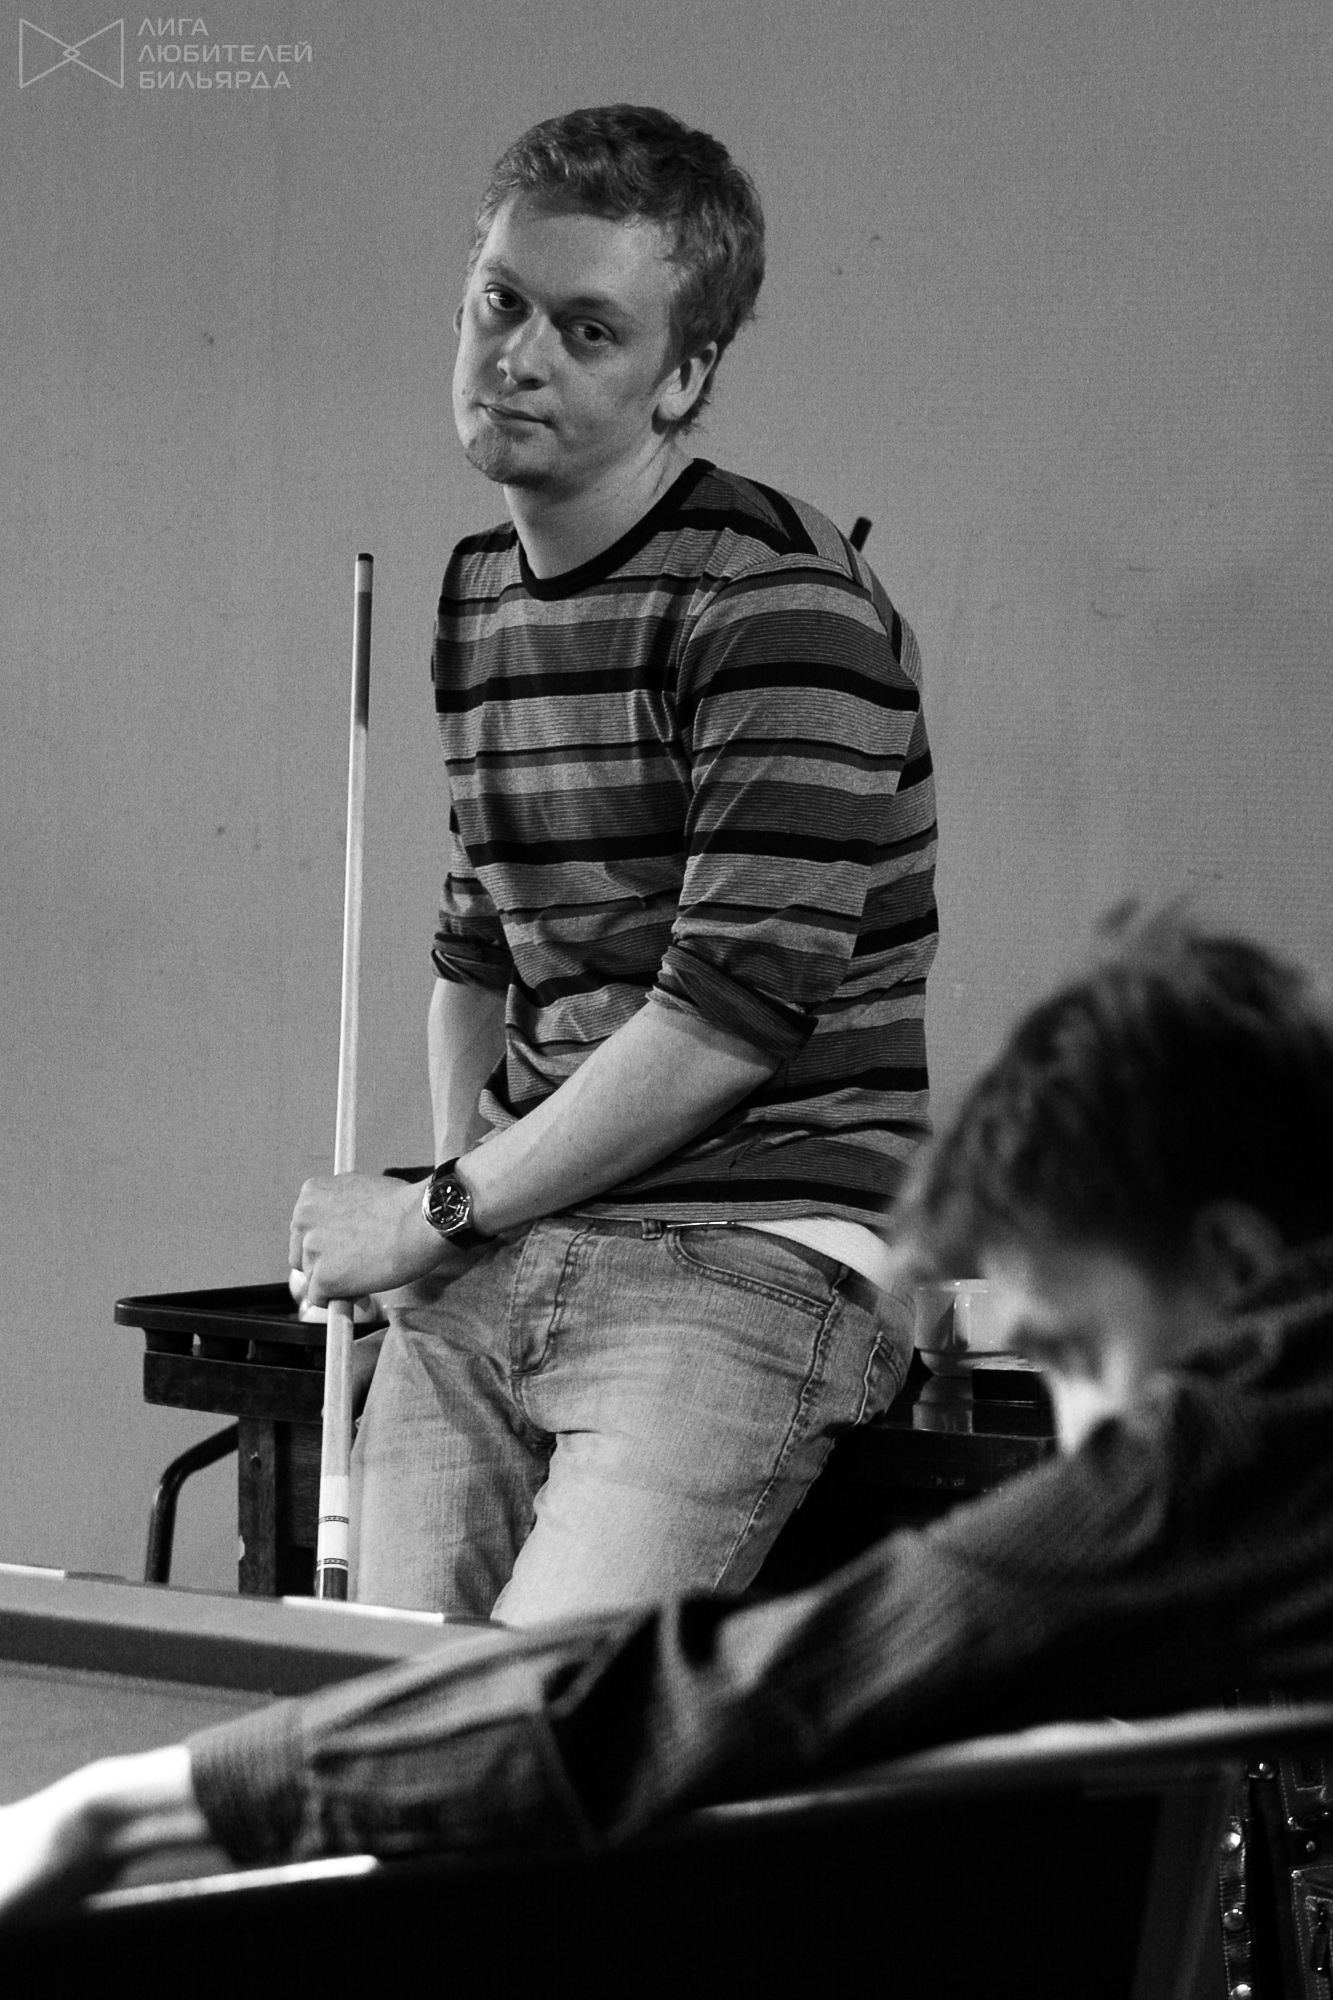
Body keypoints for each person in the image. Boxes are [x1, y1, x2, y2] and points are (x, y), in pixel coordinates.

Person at [8, 908, 1333, 1919]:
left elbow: (720, 1697)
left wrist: (133, 1809)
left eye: (1079, 1350)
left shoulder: (1234, 1450)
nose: (1083, 1438)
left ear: (1229, 1264)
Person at [288, 105, 939, 1622]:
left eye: (589, 330)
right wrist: (456, 1225)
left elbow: (725, 1021)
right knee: (377, 1717)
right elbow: (480, 957)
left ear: (683, 376)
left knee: (536, 1729)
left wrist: (436, 1210)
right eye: (499, 303)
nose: (518, 357)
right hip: (514, 1245)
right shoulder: (478, 593)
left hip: (746, 1260)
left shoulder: (776, 603)